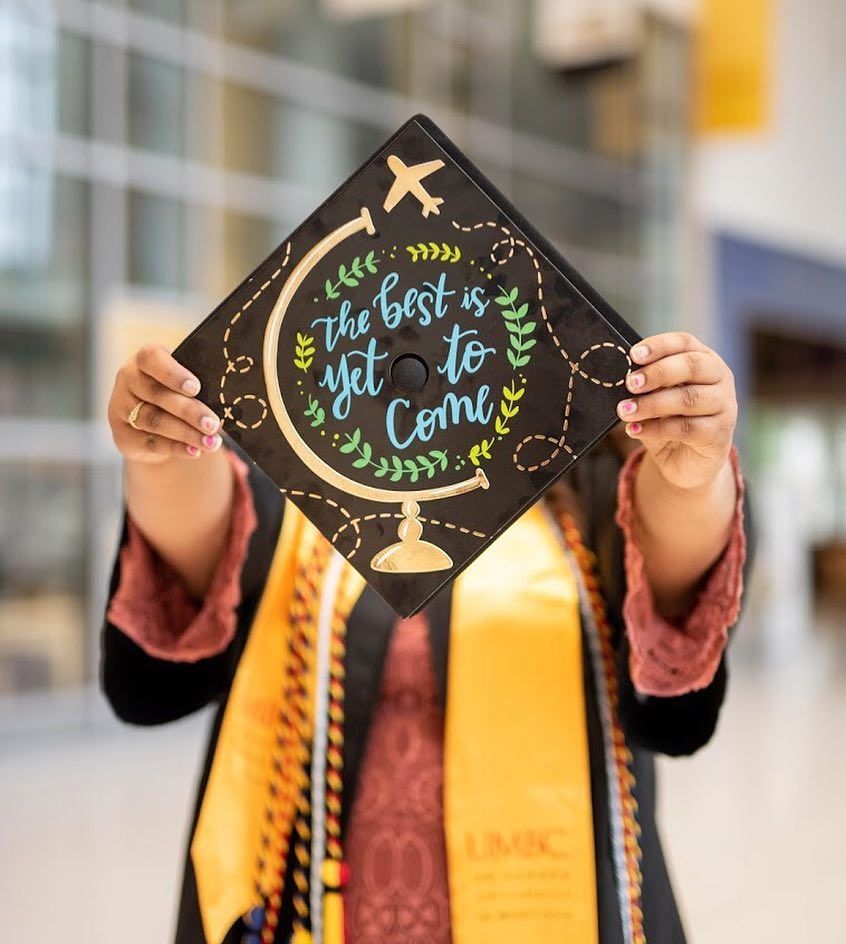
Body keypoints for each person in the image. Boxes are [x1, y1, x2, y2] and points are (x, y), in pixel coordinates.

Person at [101, 332, 752, 944]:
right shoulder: (307, 473)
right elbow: (202, 549)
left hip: (562, 891)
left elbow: (673, 572)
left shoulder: (580, 487)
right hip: (316, 898)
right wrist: (163, 452)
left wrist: (695, 474)